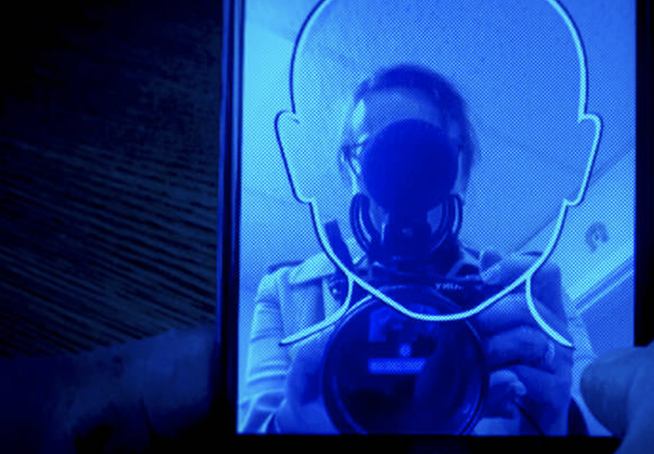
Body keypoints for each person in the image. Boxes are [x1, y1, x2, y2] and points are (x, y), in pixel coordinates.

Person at [0, 162, 654, 453]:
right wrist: (303, 421)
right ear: (350, 180)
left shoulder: (521, 291)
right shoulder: (287, 294)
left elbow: (607, 410)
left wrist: (557, 411)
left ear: (456, 189)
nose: (401, 208)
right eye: (378, 169)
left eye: (426, 175)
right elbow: (260, 422)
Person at [239, 64, 586, 436]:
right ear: (351, 172)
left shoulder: (529, 292)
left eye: (422, 151)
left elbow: (608, 431)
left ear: (460, 172)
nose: (402, 176)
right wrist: (290, 429)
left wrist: (558, 421)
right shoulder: (286, 292)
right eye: (376, 151)